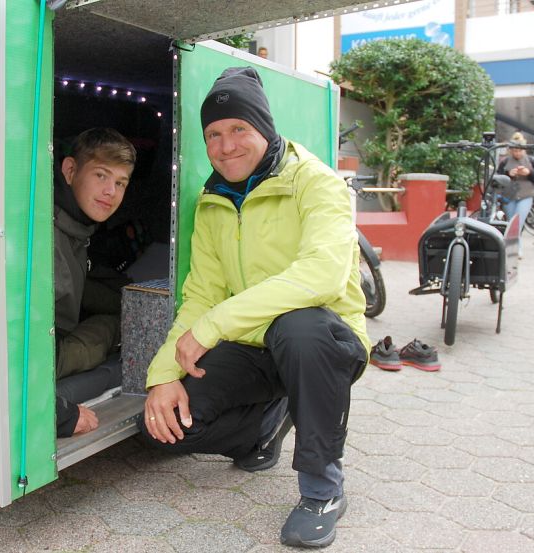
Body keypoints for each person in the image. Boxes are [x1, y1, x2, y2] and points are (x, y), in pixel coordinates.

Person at [137, 66, 369, 548]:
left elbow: (322, 275)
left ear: (264, 129)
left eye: (239, 130)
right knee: (161, 427)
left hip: (323, 341)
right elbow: (201, 293)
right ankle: (264, 429)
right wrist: (161, 377)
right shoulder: (213, 200)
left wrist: (215, 326)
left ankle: (322, 488)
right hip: (253, 345)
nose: (226, 146)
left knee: (300, 329)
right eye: (213, 135)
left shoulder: (316, 182)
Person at [53, 128, 136, 437]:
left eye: (120, 183)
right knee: (114, 321)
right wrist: (60, 415)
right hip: (50, 349)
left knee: (126, 301)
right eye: (101, 175)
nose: (110, 192)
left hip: (63, 317)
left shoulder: (74, 221)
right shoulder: (45, 236)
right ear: (70, 170)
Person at [496, 132, 534, 257]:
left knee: (519, 221)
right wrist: (508, 174)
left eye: (519, 151)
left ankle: (517, 247)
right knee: (511, 222)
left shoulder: (531, 161)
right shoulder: (505, 162)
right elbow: (497, 178)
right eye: (515, 151)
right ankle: (512, 247)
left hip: (526, 195)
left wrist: (529, 173)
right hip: (509, 195)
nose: (517, 153)